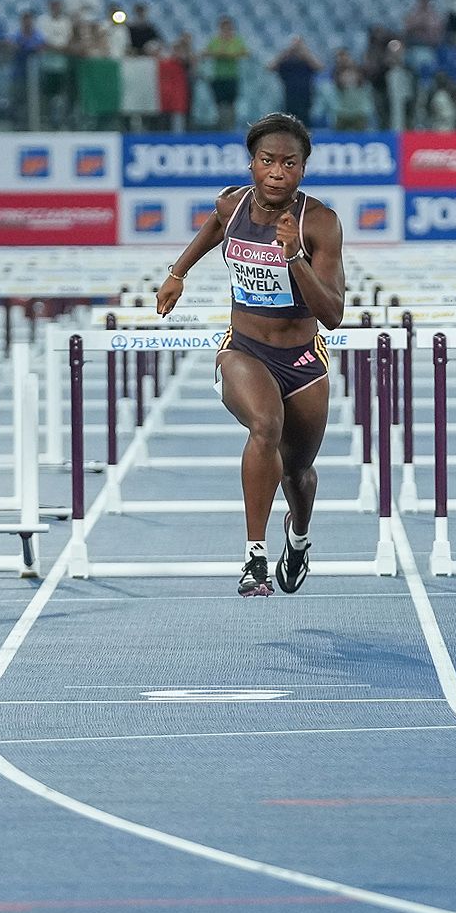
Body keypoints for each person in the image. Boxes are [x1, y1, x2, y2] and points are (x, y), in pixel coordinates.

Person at [154, 114, 344, 596]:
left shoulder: (319, 222)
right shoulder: (231, 204)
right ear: (252, 163)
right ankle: (254, 557)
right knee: (265, 424)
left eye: (289, 163)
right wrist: (178, 273)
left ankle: (298, 538)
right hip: (243, 348)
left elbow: (333, 314)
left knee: (298, 473)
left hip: (302, 361)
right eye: (267, 161)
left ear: (303, 169)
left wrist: (294, 256)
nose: (277, 172)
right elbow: (214, 227)